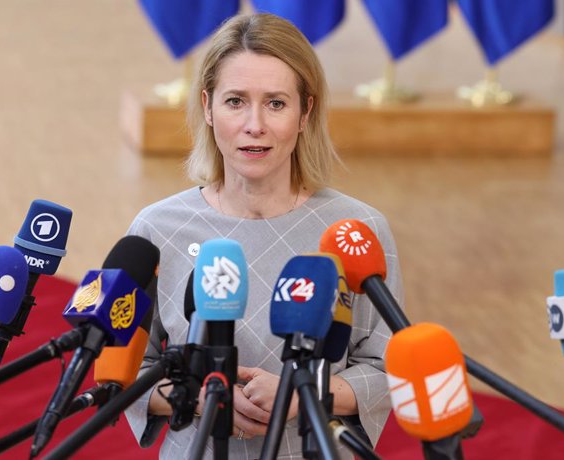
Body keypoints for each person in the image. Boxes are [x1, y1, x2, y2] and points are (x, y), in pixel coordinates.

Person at [124, 12, 404, 460]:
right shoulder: (157, 228)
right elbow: (126, 372)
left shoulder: (357, 230)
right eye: (235, 101)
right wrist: (198, 397)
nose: (255, 124)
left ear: (305, 111)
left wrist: (304, 391)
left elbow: (388, 367)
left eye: (276, 103)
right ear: (208, 107)